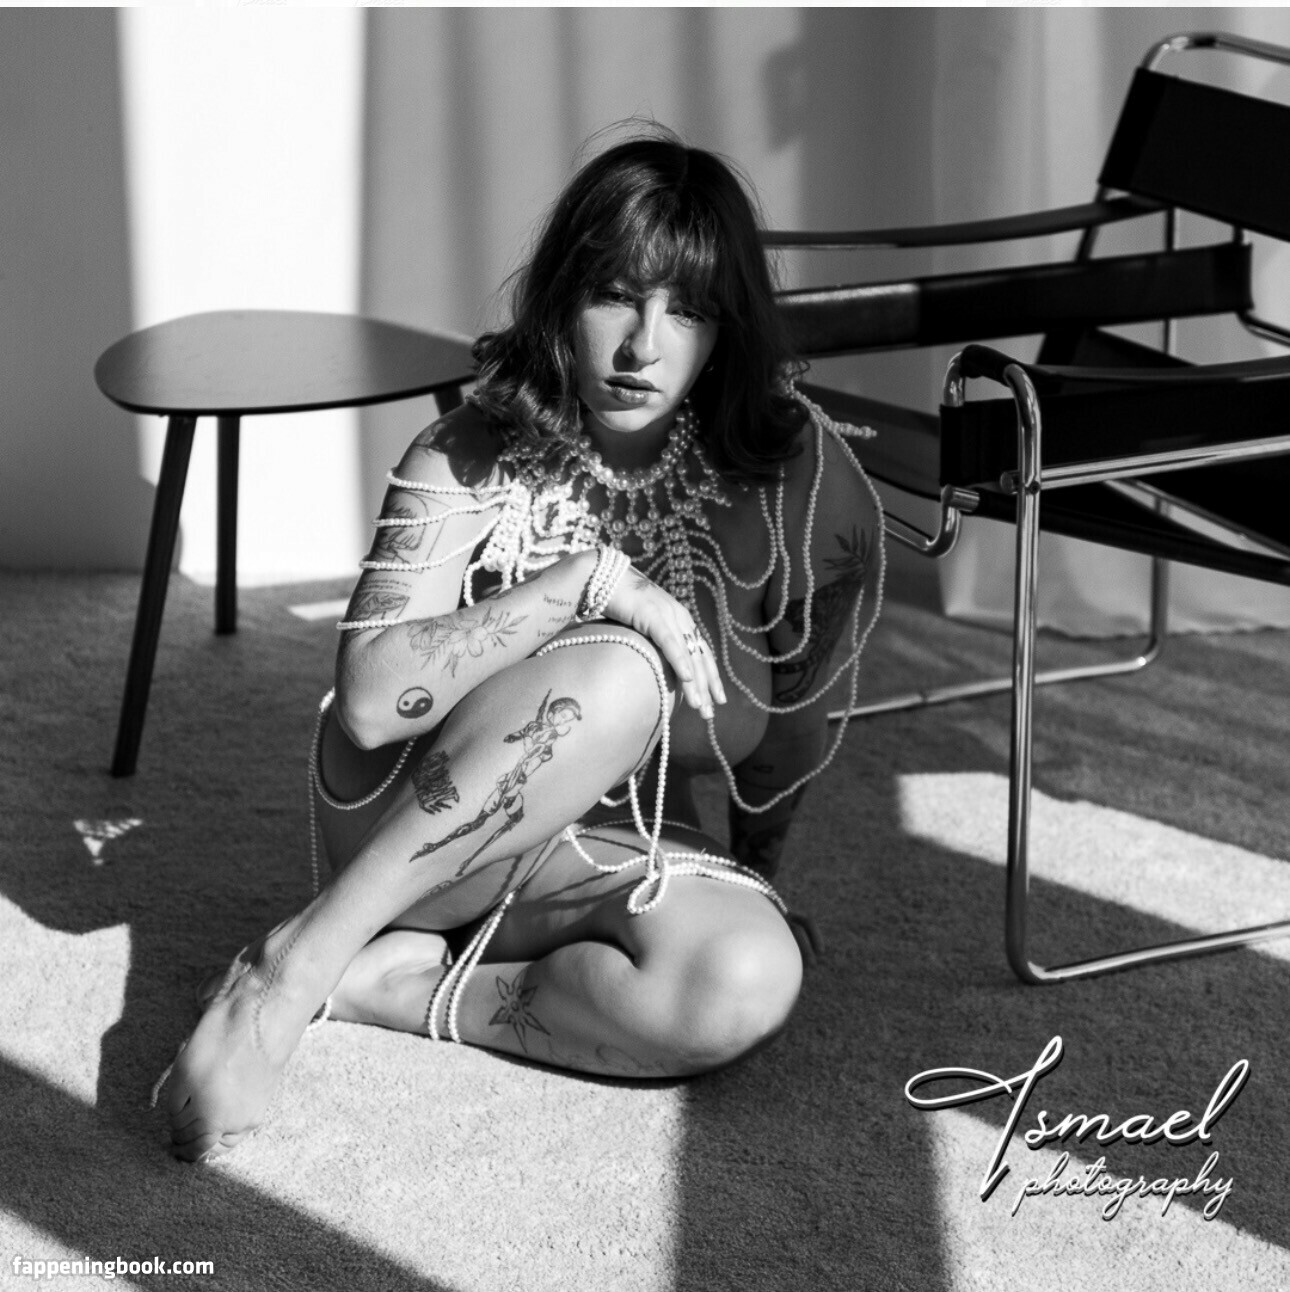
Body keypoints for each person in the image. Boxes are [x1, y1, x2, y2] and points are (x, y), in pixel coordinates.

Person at [157, 129, 885, 1163]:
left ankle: (397, 989)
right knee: (622, 669)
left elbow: (794, 723)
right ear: (562, 297)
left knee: (746, 978)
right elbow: (366, 704)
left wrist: (756, 876)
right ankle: (293, 968)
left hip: (602, 859)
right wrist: (579, 586)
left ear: (728, 328)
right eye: (614, 297)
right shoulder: (468, 451)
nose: (642, 345)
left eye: (686, 309)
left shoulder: (794, 476)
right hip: (405, 835)